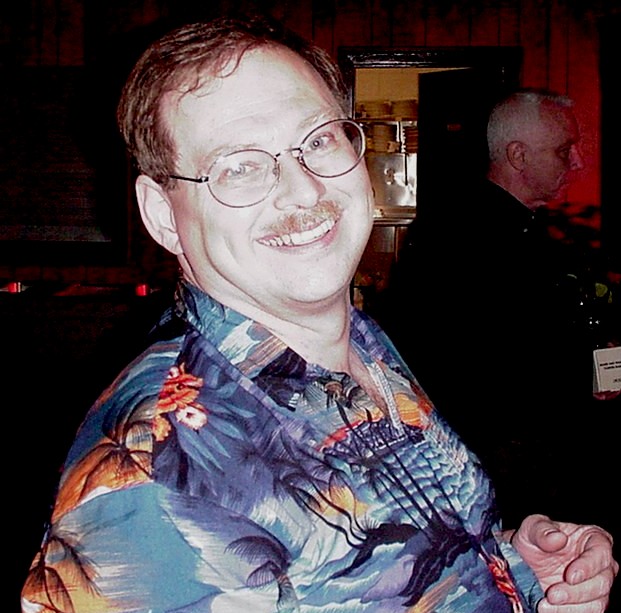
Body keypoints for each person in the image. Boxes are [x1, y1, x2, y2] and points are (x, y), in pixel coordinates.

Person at [21, 18, 617, 613]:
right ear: (162, 216)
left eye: (319, 139)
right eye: (239, 166)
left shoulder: (358, 343)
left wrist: (518, 571)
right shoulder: (160, 479)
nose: (304, 191)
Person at [378, 89, 619, 531]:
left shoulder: (525, 227)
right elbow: (478, 364)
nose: (578, 162)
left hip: (526, 462)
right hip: (500, 473)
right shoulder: (460, 235)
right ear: (518, 155)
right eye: (564, 150)